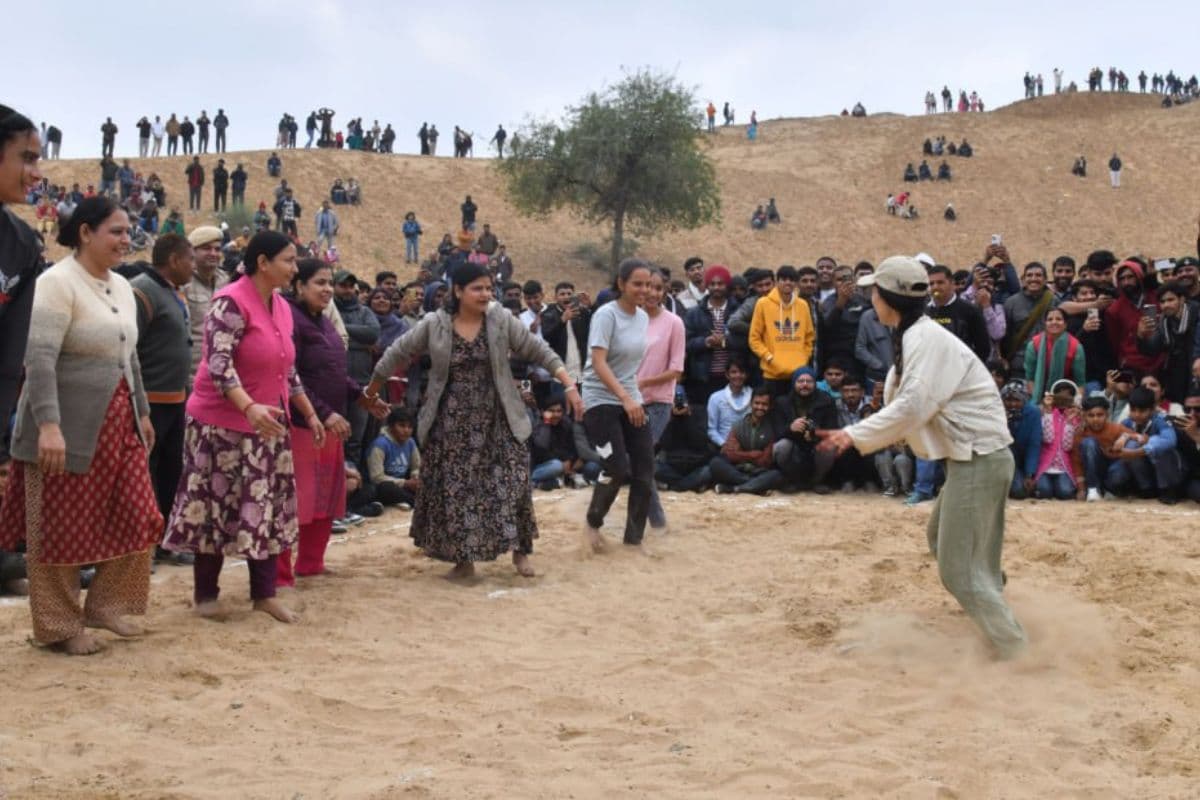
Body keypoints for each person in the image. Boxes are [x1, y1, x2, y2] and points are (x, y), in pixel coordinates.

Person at [818, 255, 1027, 659]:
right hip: (976, 458)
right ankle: (994, 604)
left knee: (959, 572)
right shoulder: (913, 332)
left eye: (874, 291)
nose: (870, 297)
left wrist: (854, 434)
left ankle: (1016, 649)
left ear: (888, 298)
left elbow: (914, 405)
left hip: (979, 458)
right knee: (949, 544)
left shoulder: (924, 339)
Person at [0, 196, 161, 655]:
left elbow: (129, 354)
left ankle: (106, 606)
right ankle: (58, 628)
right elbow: (40, 359)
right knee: (60, 529)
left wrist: (143, 412)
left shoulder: (123, 287)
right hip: (64, 428)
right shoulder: (56, 283)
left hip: (120, 422)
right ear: (86, 232)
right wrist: (49, 426)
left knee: (140, 515)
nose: (126, 240)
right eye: (116, 231)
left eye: (128, 232)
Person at [365, 261, 580, 579]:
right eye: (477, 288)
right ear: (458, 290)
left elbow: (538, 350)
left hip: (499, 416)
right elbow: (398, 351)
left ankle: (521, 552)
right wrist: (371, 390)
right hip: (451, 421)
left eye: (489, 288)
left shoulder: (501, 319)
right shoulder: (434, 323)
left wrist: (569, 384)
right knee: (458, 490)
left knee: (513, 481)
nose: (485, 294)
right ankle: (463, 561)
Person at [162, 232, 326, 624]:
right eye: (288, 260)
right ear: (263, 263)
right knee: (212, 508)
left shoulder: (283, 308)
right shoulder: (230, 302)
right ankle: (206, 595)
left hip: (267, 426)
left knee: (265, 508)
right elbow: (219, 366)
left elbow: (287, 371)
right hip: (221, 426)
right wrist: (248, 408)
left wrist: (309, 413)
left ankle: (264, 595)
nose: (294, 266)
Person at [277, 259, 386, 588]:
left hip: (331, 426)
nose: (326, 290)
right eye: (319, 283)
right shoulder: (290, 320)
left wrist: (362, 396)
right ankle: (280, 574)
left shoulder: (324, 322)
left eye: (329, 283)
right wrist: (323, 412)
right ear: (299, 286)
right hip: (300, 424)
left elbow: (335, 375)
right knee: (294, 501)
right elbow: (291, 377)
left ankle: (311, 562)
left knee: (325, 496)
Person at [130, 233, 197, 565]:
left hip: (175, 398)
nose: (194, 266)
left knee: (173, 470)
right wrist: (137, 401)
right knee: (147, 473)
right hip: (150, 401)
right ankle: (147, 545)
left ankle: (170, 540)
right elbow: (130, 348)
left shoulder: (174, 293)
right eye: (190, 259)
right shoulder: (142, 291)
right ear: (173, 260)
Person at [581, 259, 654, 552]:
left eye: (648, 284)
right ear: (621, 284)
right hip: (600, 399)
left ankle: (634, 540)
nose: (644, 289)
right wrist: (624, 398)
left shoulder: (643, 318)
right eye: (637, 283)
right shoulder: (605, 315)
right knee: (616, 467)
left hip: (630, 398)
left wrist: (632, 397)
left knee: (645, 470)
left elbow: (630, 367)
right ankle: (592, 523)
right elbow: (598, 362)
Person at [636, 267, 686, 529]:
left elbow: (676, 369)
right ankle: (653, 521)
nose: (652, 293)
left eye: (658, 288)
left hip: (657, 402)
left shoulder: (674, 323)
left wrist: (644, 382)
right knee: (639, 463)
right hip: (630, 401)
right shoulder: (630, 319)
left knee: (640, 459)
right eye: (648, 287)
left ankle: (654, 522)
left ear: (665, 292)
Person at [748, 266, 814, 396]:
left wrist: (804, 358)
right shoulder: (763, 303)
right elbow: (754, 338)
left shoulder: (803, 305)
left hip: (798, 373)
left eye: (791, 279)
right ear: (777, 282)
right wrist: (769, 357)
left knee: (796, 414)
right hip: (772, 374)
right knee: (774, 413)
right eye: (783, 279)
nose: (788, 282)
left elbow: (809, 336)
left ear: (796, 283)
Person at [771, 367, 837, 492]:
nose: (805, 385)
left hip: (815, 447)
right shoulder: (782, 402)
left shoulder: (826, 400)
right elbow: (776, 432)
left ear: (815, 384)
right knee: (781, 446)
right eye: (800, 381)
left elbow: (832, 430)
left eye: (809, 381)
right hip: (793, 445)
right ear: (794, 383)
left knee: (830, 446)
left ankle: (817, 481)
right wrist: (790, 428)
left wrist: (816, 433)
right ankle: (792, 480)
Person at [710, 386, 784, 495]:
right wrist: (752, 455)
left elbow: (764, 461)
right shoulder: (738, 425)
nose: (760, 407)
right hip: (737, 469)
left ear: (770, 406)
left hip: (759, 471)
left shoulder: (772, 427)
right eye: (757, 403)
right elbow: (730, 454)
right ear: (751, 403)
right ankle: (756, 487)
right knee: (715, 463)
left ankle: (734, 489)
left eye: (764, 404)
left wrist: (741, 453)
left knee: (776, 475)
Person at [1033, 379, 1086, 500]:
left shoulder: (1076, 419)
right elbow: (1048, 438)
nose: (1063, 401)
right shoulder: (1046, 413)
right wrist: (1048, 412)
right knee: (1044, 491)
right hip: (1046, 466)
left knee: (1065, 492)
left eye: (1067, 398)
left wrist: (1069, 422)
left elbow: (1067, 446)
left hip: (1064, 468)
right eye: (1059, 397)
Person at [1024, 307, 1087, 401]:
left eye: (1059, 319)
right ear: (1045, 324)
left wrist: (1075, 404)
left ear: (1065, 324)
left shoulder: (1075, 347)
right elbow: (1030, 378)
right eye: (1050, 319)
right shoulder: (1034, 344)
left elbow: (1080, 382)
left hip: (1066, 397)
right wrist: (1039, 402)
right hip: (1038, 396)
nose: (1054, 322)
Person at [367, 407, 421, 506]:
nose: (406, 430)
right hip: (384, 486)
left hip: (404, 485)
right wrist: (406, 483)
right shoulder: (380, 445)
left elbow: (417, 466)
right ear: (391, 426)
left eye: (410, 427)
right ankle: (415, 502)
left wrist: (415, 477)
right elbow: (376, 477)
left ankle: (409, 500)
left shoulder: (410, 442)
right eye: (402, 426)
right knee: (386, 488)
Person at [1001, 382, 1042, 499]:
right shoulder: (998, 413)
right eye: (1008, 400)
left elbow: (1034, 445)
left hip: (1028, 460)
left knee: (1044, 489)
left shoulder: (1033, 413)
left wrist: (1030, 474)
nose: (1013, 404)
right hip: (1008, 461)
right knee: (1018, 491)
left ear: (1024, 400)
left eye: (1017, 400)